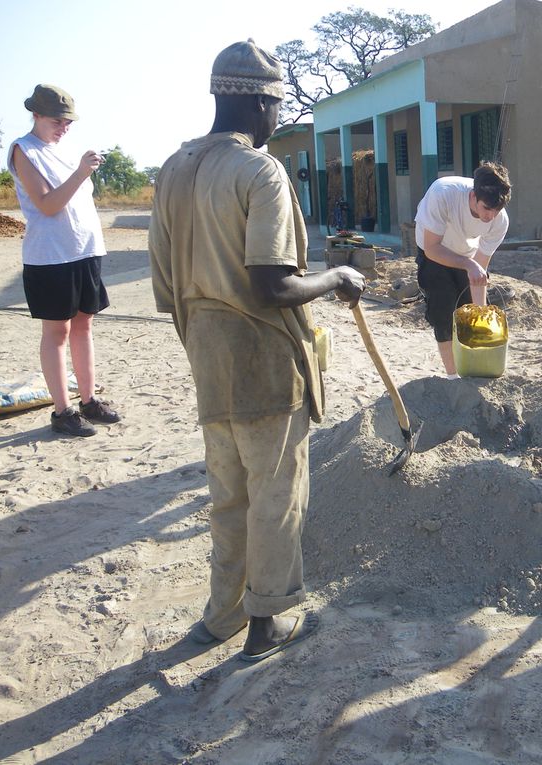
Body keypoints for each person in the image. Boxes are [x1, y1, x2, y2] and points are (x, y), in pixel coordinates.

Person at [148, 40, 365, 662]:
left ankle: (221, 617)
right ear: (262, 104)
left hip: (207, 360)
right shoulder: (259, 171)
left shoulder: (173, 169)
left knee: (229, 496)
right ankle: (268, 623)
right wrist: (337, 279)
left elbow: (166, 290)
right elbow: (273, 284)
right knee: (276, 495)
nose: (277, 120)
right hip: (264, 358)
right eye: (277, 107)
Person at [7, 84, 122, 438]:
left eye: (68, 121)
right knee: (57, 331)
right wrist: (81, 173)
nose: (64, 127)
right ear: (36, 114)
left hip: (84, 250)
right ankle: (62, 411)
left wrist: (81, 170)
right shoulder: (23, 151)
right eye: (58, 120)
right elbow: (47, 205)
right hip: (49, 256)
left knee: (84, 325)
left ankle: (88, 400)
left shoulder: (67, 149)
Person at [414, 162, 512, 377]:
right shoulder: (443, 194)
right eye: (487, 208)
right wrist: (469, 265)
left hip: (467, 253)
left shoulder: (499, 221)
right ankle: (453, 376)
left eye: (497, 210)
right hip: (434, 252)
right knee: (443, 312)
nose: (490, 216)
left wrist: (482, 312)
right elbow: (432, 249)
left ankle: (473, 369)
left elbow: (480, 270)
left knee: (471, 314)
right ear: (473, 195)